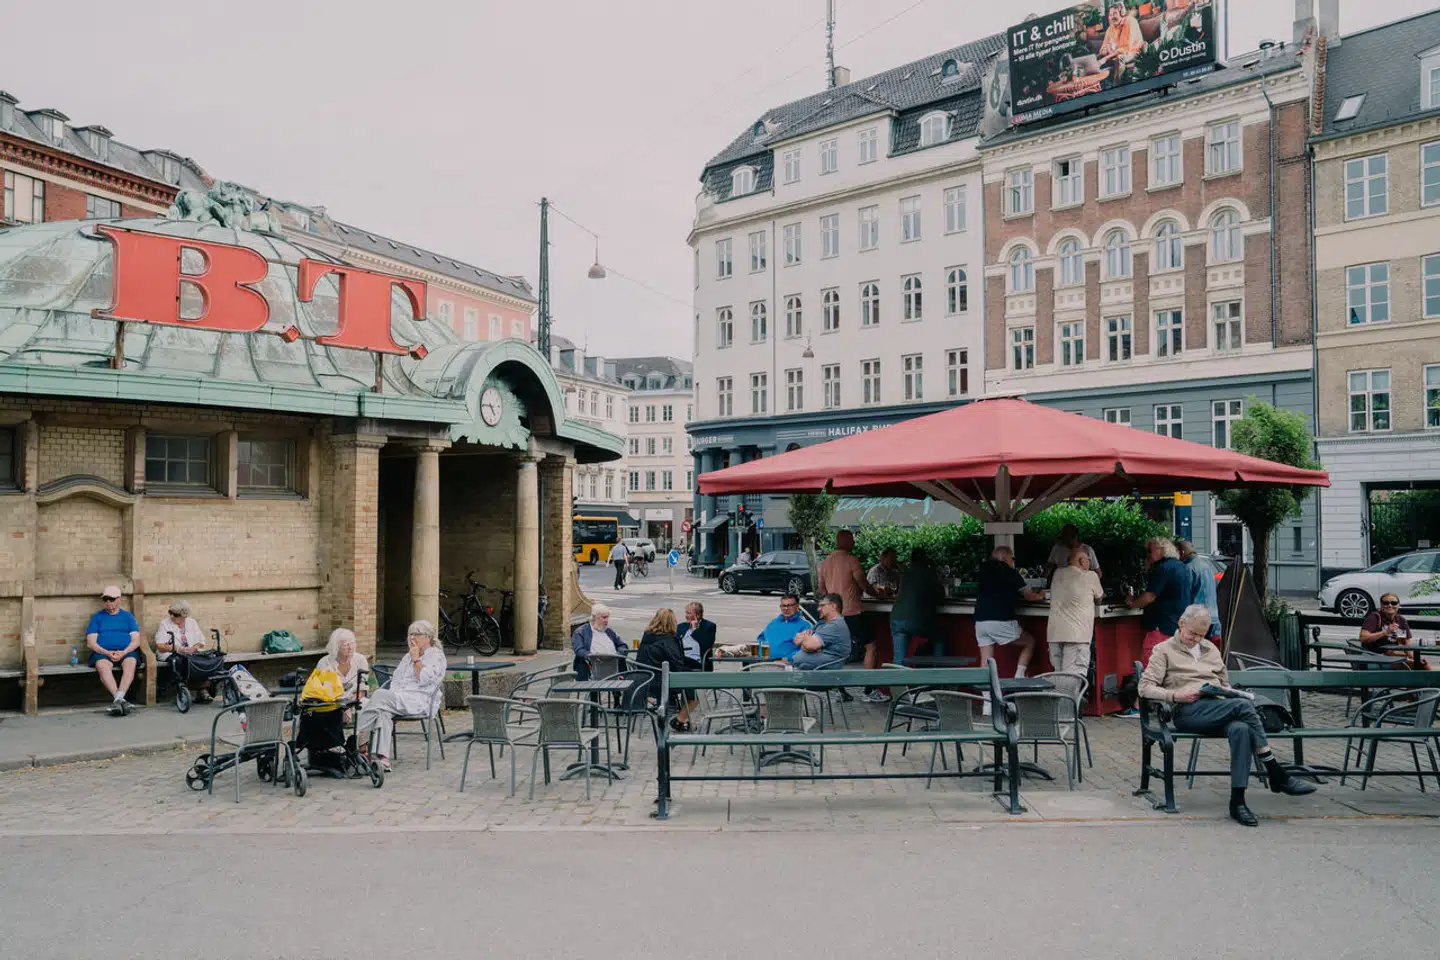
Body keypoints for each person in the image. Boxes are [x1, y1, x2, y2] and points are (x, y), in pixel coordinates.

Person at [1140, 605, 1317, 827]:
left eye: (1201, 635)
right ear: (1181, 624)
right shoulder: (1163, 650)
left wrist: (1225, 691)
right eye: (1192, 633)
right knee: (1243, 707)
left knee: (1241, 729)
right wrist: (1175, 695)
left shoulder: (1210, 650)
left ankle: (1238, 802)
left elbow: (1224, 683)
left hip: (1219, 707)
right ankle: (1275, 771)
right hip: (1188, 710)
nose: (1196, 639)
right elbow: (1145, 687)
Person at [357, 620, 446, 772]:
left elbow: (424, 679)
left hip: (420, 700)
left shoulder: (436, 656)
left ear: (428, 637)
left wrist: (416, 659)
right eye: (410, 635)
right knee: (383, 712)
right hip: (399, 698)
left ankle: (357, 739)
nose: (412, 638)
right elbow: (396, 681)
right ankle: (381, 758)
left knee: (378, 695)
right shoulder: (407, 657)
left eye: (416, 635)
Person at [818, 530, 880, 700]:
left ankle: (840, 691)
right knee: (871, 646)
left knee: (837, 652)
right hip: (851, 611)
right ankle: (868, 690)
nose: (854, 542)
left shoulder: (825, 563)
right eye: (852, 539)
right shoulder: (852, 560)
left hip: (834, 615)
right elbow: (863, 583)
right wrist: (876, 594)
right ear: (844, 541)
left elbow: (821, 590)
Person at [300, 628, 371, 771]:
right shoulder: (325, 663)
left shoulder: (360, 660)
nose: (350, 647)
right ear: (336, 646)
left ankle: (362, 748)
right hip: (331, 704)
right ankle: (336, 748)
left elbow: (362, 689)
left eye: (352, 643)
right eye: (346, 644)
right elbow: (322, 691)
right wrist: (341, 706)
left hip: (353, 700)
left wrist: (351, 704)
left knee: (367, 706)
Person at [974, 546, 1045, 680]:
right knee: (1029, 642)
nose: (1013, 561)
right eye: (1013, 558)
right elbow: (1029, 596)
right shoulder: (1010, 573)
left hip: (980, 622)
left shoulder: (983, 572)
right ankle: (1019, 676)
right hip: (1001, 619)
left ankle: (987, 699)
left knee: (986, 661)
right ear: (1005, 558)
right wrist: (1041, 595)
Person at [1048, 546, 1104, 677]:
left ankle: (1062, 697)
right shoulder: (1091, 576)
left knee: (1059, 678)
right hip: (1077, 636)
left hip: (1054, 635)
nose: (1089, 563)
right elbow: (1099, 598)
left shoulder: (1057, 573)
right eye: (1088, 560)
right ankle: (1071, 698)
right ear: (1082, 561)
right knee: (1072, 680)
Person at [636, 608, 695, 731]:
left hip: (645, 680)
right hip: (662, 682)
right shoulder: (667, 641)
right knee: (694, 686)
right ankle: (680, 719)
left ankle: (683, 720)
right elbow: (677, 664)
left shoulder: (647, 636)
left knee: (688, 678)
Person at [86, 586, 142, 716]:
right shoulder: (97, 618)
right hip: (103, 652)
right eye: (105, 599)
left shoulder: (128, 617)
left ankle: (118, 700)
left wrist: (124, 651)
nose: (108, 602)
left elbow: (136, 640)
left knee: (131, 662)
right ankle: (120, 700)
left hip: (125, 652)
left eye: (111, 599)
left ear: (119, 600)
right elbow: (91, 642)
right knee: (102, 666)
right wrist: (106, 652)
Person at [890, 548, 944, 665]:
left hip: (897, 617)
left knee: (899, 659)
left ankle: (897, 682)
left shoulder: (905, 573)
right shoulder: (928, 574)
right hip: (917, 619)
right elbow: (940, 597)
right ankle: (938, 674)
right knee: (939, 637)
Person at [154, 599, 213, 703]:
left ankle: (202, 690)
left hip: (190, 652)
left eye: (175, 614)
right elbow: (159, 645)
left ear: (184, 615)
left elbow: (201, 641)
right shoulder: (165, 623)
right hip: (171, 653)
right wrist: (178, 649)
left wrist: (193, 648)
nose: (172, 616)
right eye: (170, 613)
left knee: (204, 660)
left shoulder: (192, 622)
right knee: (181, 661)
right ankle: (184, 689)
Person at [1358, 594, 1425, 666]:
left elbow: (1407, 645)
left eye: (1394, 603)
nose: (1390, 605)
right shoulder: (1374, 617)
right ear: (1381, 605)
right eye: (1386, 603)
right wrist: (1386, 632)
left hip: (1393, 656)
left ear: (1398, 605)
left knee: (1422, 664)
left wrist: (1415, 658)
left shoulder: (1401, 620)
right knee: (1418, 666)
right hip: (1376, 657)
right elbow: (1363, 638)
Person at [791, 594, 852, 670]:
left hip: (825, 672)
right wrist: (810, 645)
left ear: (833, 606)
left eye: (822, 605)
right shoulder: (822, 623)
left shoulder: (835, 626)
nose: (818, 609)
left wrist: (807, 645)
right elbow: (796, 640)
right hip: (813, 670)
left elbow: (808, 645)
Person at [1178, 540, 1222, 641]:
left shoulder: (1187, 568)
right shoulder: (1208, 566)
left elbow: (1185, 596)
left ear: (1182, 553)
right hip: (1213, 618)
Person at [570, 603, 625, 679]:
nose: (607, 620)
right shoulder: (581, 632)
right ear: (594, 617)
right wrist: (593, 657)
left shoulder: (608, 631)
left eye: (607, 617)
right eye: (604, 617)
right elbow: (579, 650)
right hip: (591, 669)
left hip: (613, 668)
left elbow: (622, 645)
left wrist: (618, 654)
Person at [1097, 1, 1144, 76]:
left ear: (1122, 13)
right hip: (1116, 53)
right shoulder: (1110, 28)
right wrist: (1105, 50)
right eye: (1110, 15)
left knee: (1120, 59)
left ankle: (1117, 85)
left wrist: (1106, 58)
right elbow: (1103, 48)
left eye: (1115, 13)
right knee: (1098, 60)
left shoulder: (1130, 22)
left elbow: (1125, 48)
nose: (1112, 17)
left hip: (1133, 52)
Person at [675, 601, 716, 668]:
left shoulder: (709, 626)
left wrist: (695, 630)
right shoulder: (680, 627)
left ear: (698, 615)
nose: (686, 615)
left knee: (681, 661)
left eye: (689, 613)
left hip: (697, 662)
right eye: (686, 613)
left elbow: (707, 644)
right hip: (681, 660)